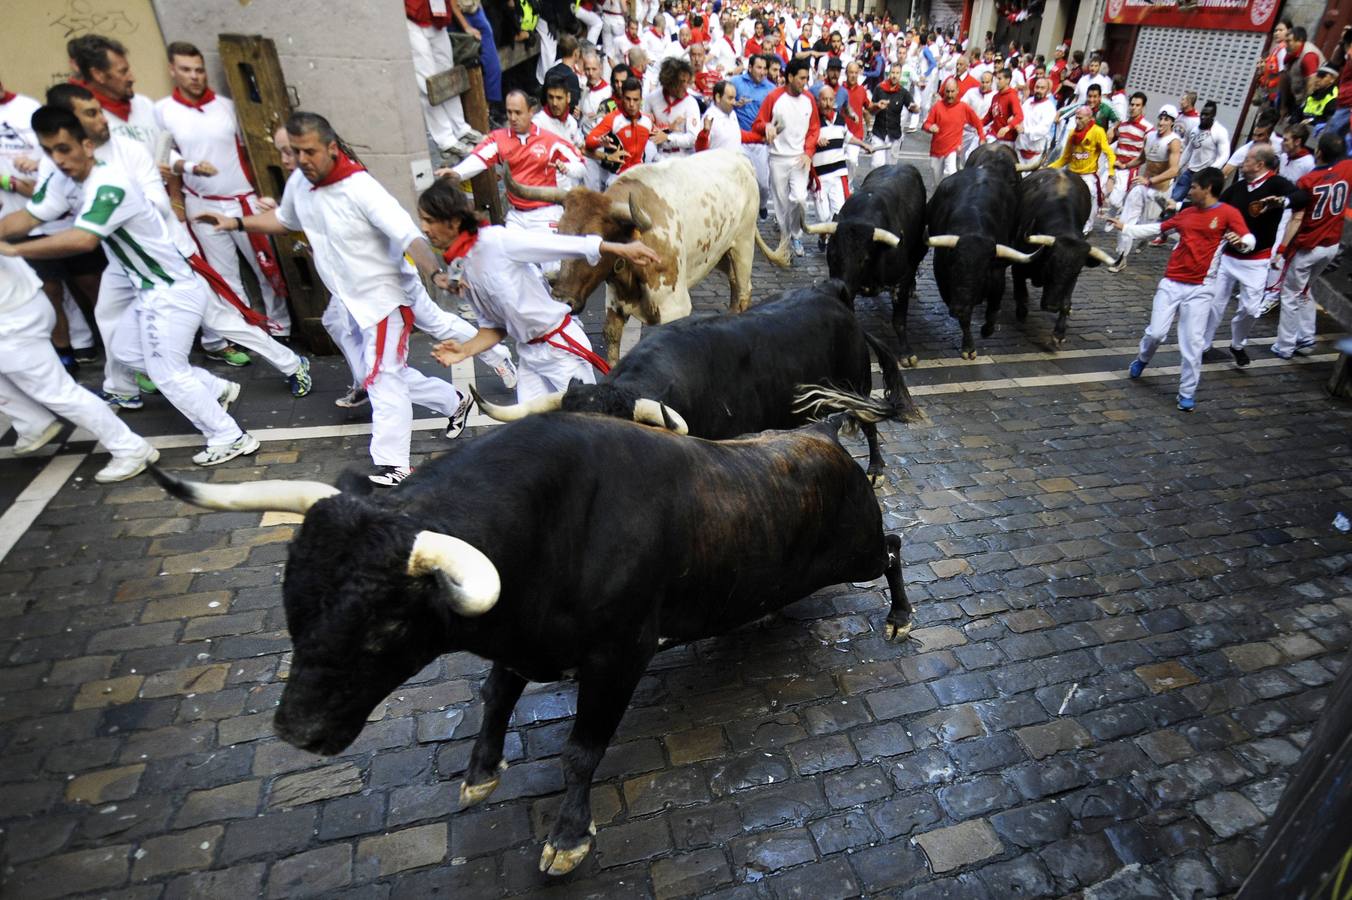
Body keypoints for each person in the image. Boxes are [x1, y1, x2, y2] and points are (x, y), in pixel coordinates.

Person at [199, 112, 469, 486]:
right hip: (350, 301)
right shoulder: (300, 183)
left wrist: (436, 273)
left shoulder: (361, 188)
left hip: (385, 299)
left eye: (308, 151)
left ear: (330, 148)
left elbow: (409, 236)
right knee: (381, 374)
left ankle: (395, 465)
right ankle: (453, 401)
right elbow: (285, 220)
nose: (300, 159)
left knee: (383, 378)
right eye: (294, 152)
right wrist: (235, 223)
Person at [3, 107, 259, 464]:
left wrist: (15, 249)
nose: (57, 160)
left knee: (167, 373)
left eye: (64, 149)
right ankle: (215, 388)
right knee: (125, 351)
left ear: (87, 146)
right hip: (148, 291)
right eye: (49, 151)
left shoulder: (111, 184)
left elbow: (83, 240)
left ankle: (230, 437)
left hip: (172, 288)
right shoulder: (66, 180)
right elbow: (31, 216)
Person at [416, 180, 659, 399]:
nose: (424, 228)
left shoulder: (496, 240)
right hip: (529, 355)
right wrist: (463, 350)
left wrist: (619, 249)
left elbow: (559, 245)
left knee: (589, 422)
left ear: (454, 221)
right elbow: (494, 327)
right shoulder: (460, 267)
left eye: (429, 220)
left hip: (560, 349)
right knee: (529, 430)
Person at [154, 42, 292, 338]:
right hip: (202, 203)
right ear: (172, 70)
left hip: (244, 201)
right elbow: (164, 155)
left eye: (199, 70)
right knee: (225, 276)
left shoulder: (226, 107)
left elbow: (252, 151)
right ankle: (246, 334)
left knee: (267, 268)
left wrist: (262, 191)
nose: (194, 76)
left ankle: (281, 329)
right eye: (186, 70)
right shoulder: (163, 110)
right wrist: (186, 179)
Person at [0, 252, 158, 481]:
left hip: (11, 322)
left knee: (59, 392)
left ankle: (130, 448)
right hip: (22, 304)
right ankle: (32, 422)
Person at [1110, 167, 1253, 411]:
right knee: (1156, 333)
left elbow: (1248, 239)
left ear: (1207, 189)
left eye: (1194, 187)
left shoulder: (1228, 213)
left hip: (1201, 288)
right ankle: (1143, 359)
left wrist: (1242, 243)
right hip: (1172, 283)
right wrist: (1126, 228)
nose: (1190, 191)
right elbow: (1159, 228)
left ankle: (1187, 392)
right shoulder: (1187, 213)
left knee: (1192, 343)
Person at [439, 90, 585, 233]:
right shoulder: (498, 138)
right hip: (516, 216)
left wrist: (567, 168)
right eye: (509, 112)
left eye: (518, 112)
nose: (513, 118)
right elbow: (479, 158)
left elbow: (581, 166)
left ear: (530, 112)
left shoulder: (550, 140)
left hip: (546, 213)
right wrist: (456, 172)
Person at [1211, 144, 1301, 367]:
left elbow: (1301, 197)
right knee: (1214, 303)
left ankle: (1237, 344)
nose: (1243, 163)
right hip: (1228, 258)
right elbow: (1216, 207)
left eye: (1248, 160)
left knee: (1250, 309)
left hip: (1256, 260)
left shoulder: (1277, 184)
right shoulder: (1238, 187)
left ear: (1260, 164)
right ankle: (1203, 345)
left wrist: (1281, 202)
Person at [1271, 132, 1352, 359]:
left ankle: (1285, 345)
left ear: (1319, 152)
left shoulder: (1308, 181)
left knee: (1290, 294)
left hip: (1308, 247)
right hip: (1331, 245)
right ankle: (1306, 336)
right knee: (1305, 289)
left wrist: (1281, 250)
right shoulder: (1347, 168)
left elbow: (1296, 219)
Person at [750, 57, 819, 259]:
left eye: (806, 78)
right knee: (780, 204)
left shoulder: (809, 99)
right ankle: (786, 237)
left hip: (800, 158)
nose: (805, 82)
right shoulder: (774, 97)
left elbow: (814, 128)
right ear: (790, 77)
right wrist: (767, 126)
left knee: (799, 199)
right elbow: (758, 123)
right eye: (801, 78)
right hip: (778, 158)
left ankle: (796, 234)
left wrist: (808, 152)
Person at [405, 0, 482, 157]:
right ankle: (445, 139)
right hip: (413, 16)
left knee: (448, 73)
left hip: (436, 14)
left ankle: (460, 127)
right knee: (427, 81)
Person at [66, 35, 159, 151]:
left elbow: (165, 149)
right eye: (123, 72)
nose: (132, 78)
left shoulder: (144, 104)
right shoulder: (80, 117)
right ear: (98, 75)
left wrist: (177, 160)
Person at [809, 84, 872, 248]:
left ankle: (833, 243)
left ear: (834, 101)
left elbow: (848, 137)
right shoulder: (813, 121)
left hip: (838, 173)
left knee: (838, 211)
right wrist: (815, 140)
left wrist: (863, 145)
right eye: (824, 100)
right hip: (820, 177)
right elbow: (804, 140)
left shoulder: (840, 119)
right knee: (823, 216)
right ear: (818, 101)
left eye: (830, 100)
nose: (827, 103)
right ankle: (823, 235)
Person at [1050, 105, 1116, 233]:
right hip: (1071, 173)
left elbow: (1109, 154)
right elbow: (1065, 158)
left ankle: (1088, 225)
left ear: (1089, 118)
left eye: (1080, 118)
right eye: (1076, 118)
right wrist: (1047, 168)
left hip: (1088, 175)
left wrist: (1111, 174)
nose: (1077, 121)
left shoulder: (1097, 132)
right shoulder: (1072, 133)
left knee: (1091, 193)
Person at [732, 55, 775, 218]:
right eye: (759, 67)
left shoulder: (771, 89)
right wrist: (735, 104)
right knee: (739, 180)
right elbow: (724, 101)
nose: (762, 72)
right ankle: (741, 216)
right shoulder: (736, 83)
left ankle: (762, 205)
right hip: (740, 140)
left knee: (763, 184)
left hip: (760, 142)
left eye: (765, 68)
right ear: (749, 68)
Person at [586, 77, 653, 177]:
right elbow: (589, 141)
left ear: (641, 100)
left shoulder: (647, 120)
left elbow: (660, 136)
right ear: (622, 98)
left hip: (639, 176)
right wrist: (599, 143)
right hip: (617, 177)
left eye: (635, 100)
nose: (631, 104)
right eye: (628, 99)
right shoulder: (612, 119)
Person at [924, 77, 984, 185]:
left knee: (951, 173)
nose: (950, 95)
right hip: (937, 148)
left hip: (953, 148)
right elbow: (926, 124)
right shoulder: (937, 106)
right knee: (936, 180)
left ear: (957, 91)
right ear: (944, 91)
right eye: (947, 91)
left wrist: (982, 137)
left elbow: (977, 122)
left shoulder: (963, 107)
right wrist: (930, 127)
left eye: (952, 91)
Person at [1104, 91, 1150, 224]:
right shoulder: (1122, 124)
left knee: (1115, 201)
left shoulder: (1147, 128)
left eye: (1137, 105)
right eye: (1132, 104)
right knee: (1101, 192)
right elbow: (1115, 140)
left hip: (1129, 169)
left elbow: (1146, 153)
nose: (1133, 108)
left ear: (1143, 107)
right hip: (1115, 165)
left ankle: (1118, 211)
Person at [644, 57, 700, 156]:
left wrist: (668, 138)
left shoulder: (691, 103)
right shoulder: (652, 98)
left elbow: (693, 138)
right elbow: (644, 129)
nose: (685, 86)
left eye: (687, 82)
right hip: (657, 156)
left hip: (682, 157)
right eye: (681, 81)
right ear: (670, 80)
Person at [871, 63, 917, 168]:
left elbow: (913, 107)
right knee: (877, 164)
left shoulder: (903, 92)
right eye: (893, 72)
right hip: (879, 133)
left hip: (894, 135)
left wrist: (915, 108)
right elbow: (871, 110)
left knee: (891, 167)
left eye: (897, 73)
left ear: (900, 75)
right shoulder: (879, 89)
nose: (894, 76)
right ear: (889, 73)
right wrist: (877, 106)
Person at [1016, 75, 1056, 165]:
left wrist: (1025, 130)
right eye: (1037, 87)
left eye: (1042, 88)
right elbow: (1020, 117)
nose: (1039, 90)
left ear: (1047, 90)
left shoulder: (1049, 107)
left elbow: (1043, 129)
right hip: (1020, 148)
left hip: (1035, 152)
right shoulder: (1027, 102)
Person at [960, 70, 995, 162]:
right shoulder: (971, 92)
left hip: (984, 131)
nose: (984, 85)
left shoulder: (995, 96)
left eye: (987, 82)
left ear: (991, 82)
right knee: (962, 157)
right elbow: (961, 107)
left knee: (974, 156)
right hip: (968, 129)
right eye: (982, 82)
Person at [984, 67, 1023, 148]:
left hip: (1007, 139)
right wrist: (976, 123)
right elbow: (989, 116)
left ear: (1007, 80)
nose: (997, 82)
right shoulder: (995, 96)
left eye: (999, 79)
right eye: (996, 79)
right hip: (994, 135)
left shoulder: (1012, 96)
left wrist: (1007, 128)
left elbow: (1019, 116)